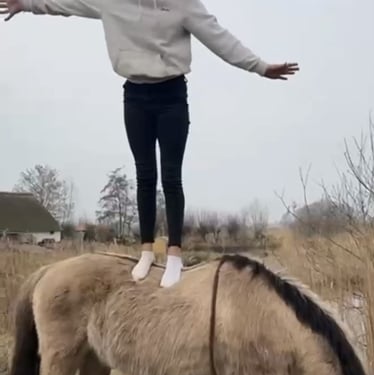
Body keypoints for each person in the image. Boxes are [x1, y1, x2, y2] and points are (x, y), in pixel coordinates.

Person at [1, 0, 299, 287]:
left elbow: (218, 37)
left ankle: (174, 254)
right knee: (144, 174)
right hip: (135, 97)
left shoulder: (182, 4)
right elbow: (64, 4)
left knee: (171, 176)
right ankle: (146, 251)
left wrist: (260, 67)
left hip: (172, 97)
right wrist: (25, 3)